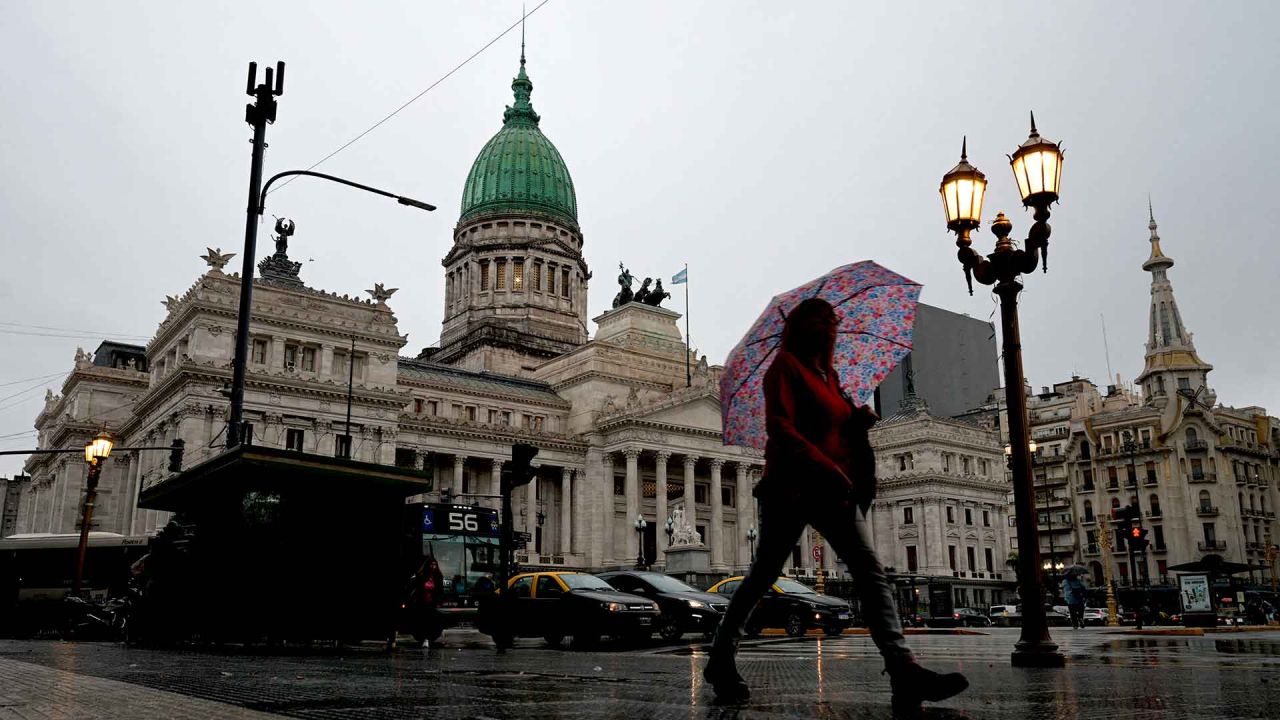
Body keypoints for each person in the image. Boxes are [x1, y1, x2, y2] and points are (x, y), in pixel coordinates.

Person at [704, 298, 968, 713]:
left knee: (870, 573)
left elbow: (834, 426)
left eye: (834, 321)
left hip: (833, 489)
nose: (832, 328)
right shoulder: (784, 369)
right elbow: (781, 429)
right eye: (824, 321)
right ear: (805, 327)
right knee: (762, 576)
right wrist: (825, 464)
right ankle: (721, 657)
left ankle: (903, 670)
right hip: (792, 487)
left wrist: (856, 420)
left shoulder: (831, 377)